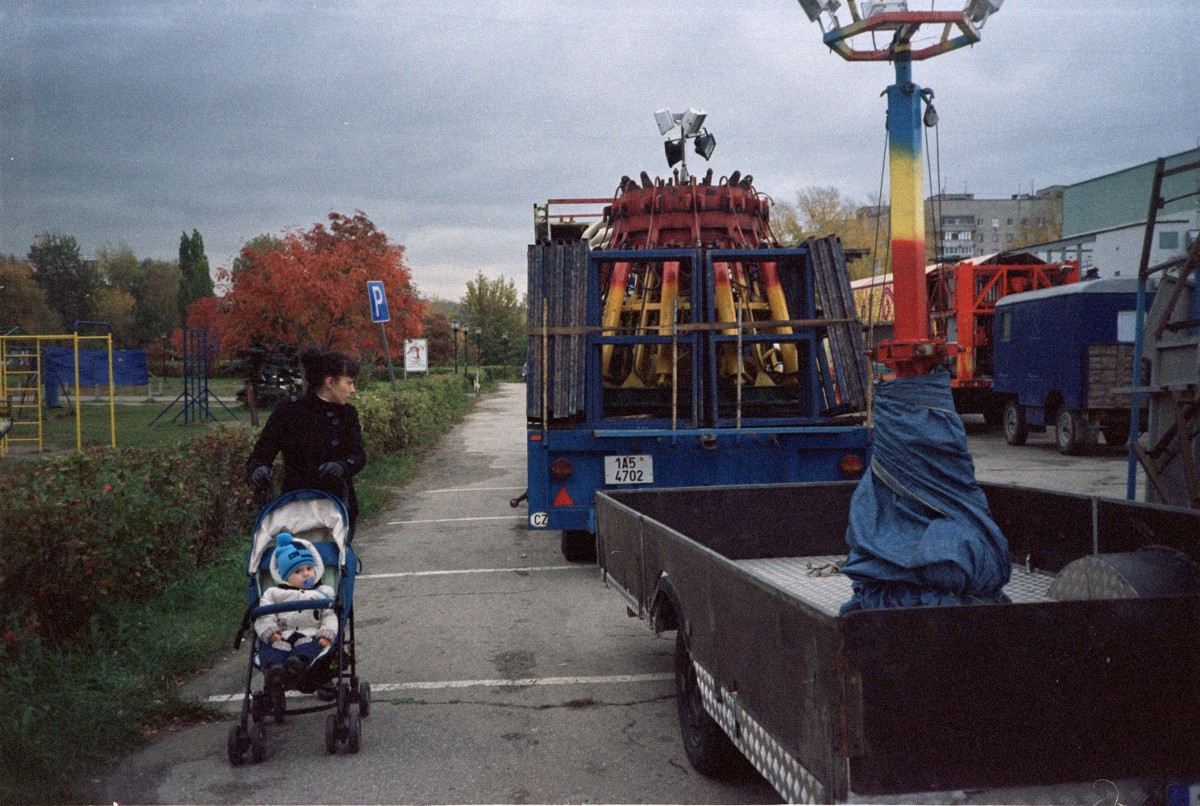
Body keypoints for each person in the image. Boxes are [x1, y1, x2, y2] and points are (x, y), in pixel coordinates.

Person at [246, 346, 366, 538]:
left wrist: (342, 466)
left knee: (332, 564)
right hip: (295, 508)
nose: (353, 389)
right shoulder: (288, 412)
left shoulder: (347, 414)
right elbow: (261, 454)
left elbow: (358, 456)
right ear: (330, 382)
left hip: (338, 507)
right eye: (349, 383)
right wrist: (258, 470)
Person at [254, 532, 337, 688]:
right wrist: (270, 632)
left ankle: (297, 664)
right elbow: (264, 615)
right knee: (270, 650)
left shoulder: (323, 592)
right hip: (280, 636)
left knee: (310, 647)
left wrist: (327, 633)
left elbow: (329, 616)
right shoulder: (273, 593)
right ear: (285, 577)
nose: (306, 573)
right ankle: (274, 671)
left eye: (309, 568)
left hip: (311, 635)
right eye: (297, 572)